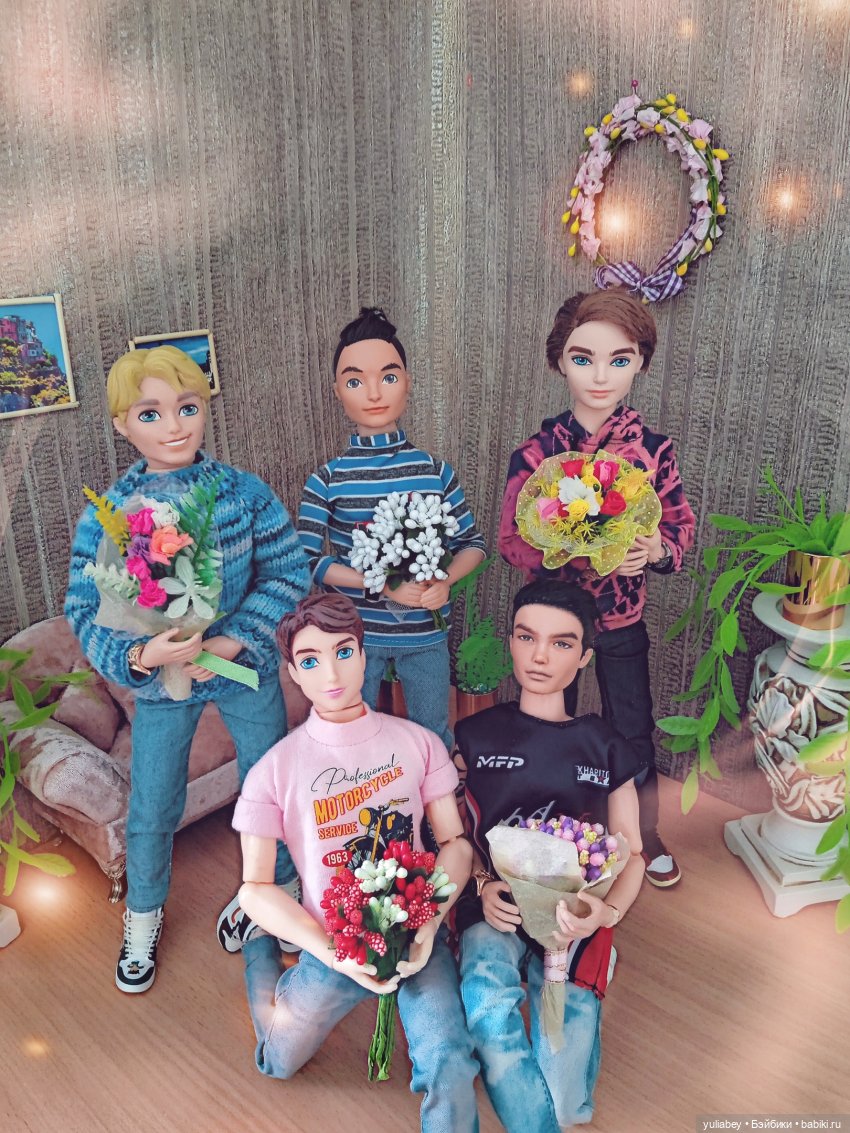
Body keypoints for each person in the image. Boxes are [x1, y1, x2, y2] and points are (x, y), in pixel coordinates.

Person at [65, 345, 310, 993]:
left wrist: (232, 640)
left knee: (270, 784)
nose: (174, 426)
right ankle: (142, 914)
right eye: (150, 413)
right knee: (153, 799)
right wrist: (142, 655)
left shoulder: (243, 493)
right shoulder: (110, 513)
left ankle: (278, 893)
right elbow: (85, 605)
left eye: (188, 407)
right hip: (162, 681)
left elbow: (288, 571)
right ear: (122, 424)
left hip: (242, 666)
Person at [231, 592, 479, 1131]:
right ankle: (259, 951)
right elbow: (254, 886)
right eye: (310, 660)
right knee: (277, 1061)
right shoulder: (273, 770)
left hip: (414, 934)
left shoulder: (419, 743)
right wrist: (333, 952)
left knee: (450, 1061)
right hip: (331, 943)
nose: (331, 674)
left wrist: (429, 924)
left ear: (366, 655)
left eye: (344, 652)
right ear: (293, 672)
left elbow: (456, 844)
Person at [498, 289, 695, 887]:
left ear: (641, 362)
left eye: (619, 359)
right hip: (552, 622)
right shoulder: (536, 453)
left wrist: (655, 549)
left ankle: (642, 829)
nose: (601, 375)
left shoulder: (653, 451)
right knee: (544, 718)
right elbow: (510, 541)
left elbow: (680, 529)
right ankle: (545, 816)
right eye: (583, 359)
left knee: (631, 724)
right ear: (560, 361)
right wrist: (563, 540)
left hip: (620, 619)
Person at [455, 580, 645, 1131]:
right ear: (511, 641)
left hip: (576, 918)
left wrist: (605, 913)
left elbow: (631, 851)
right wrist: (481, 885)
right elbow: (454, 832)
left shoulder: (606, 747)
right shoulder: (475, 736)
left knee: (566, 1102)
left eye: (561, 643)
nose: (540, 656)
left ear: (584, 656)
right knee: (488, 1010)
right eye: (526, 637)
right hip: (497, 907)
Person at [298, 307, 486, 749]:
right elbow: (306, 561)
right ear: (337, 391)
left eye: (388, 376)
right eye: (354, 381)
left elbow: (473, 544)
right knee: (350, 733)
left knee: (432, 731)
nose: (373, 393)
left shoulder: (434, 470)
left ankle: (438, 790)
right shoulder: (327, 479)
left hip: (425, 633)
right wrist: (381, 583)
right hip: (354, 636)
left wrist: (445, 579)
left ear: (407, 381)